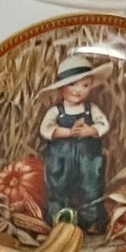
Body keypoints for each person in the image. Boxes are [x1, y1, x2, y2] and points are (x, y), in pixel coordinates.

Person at [36, 52, 112, 233]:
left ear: (91, 87)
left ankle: (92, 222)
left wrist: (90, 130)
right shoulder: (57, 111)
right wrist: (67, 132)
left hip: (88, 157)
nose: (78, 90)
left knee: (91, 186)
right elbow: (46, 128)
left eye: (85, 85)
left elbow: (103, 124)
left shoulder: (91, 109)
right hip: (61, 159)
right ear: (62, 88)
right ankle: (60, 221)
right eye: (72, 84)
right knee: (59, 188)